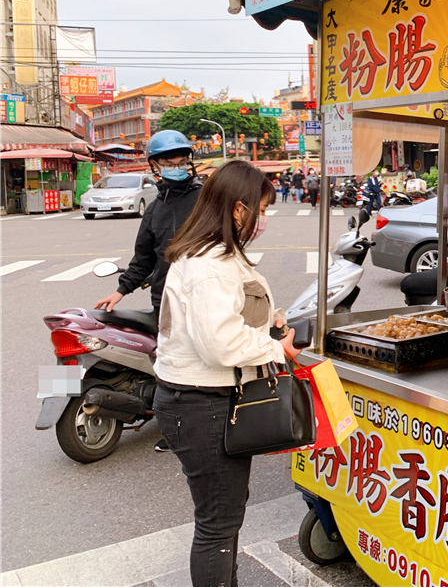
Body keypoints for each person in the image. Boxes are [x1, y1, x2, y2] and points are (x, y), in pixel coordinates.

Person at [152, 160, 302, 587]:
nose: (263, 219)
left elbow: (226, 322)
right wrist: (275, 347)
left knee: (225, 513)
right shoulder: (210, 264)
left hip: (205, 401)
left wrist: (264, 323)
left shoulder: (216, 254)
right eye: (262, 209)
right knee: (218, 523)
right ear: (238, 209)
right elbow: (218, 343)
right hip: (201, 404)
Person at [94, 130, 203, 454]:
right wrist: (120, 291)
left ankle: (206, 421)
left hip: (202, 293)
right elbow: (144, 258)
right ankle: (175, 426)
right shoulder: (154, 209)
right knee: (171, 363)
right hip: (166, 298)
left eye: (181, 161)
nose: (176, 166)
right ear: (155, 166)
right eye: (168, 162)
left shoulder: (206, 198)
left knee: (202, 360)